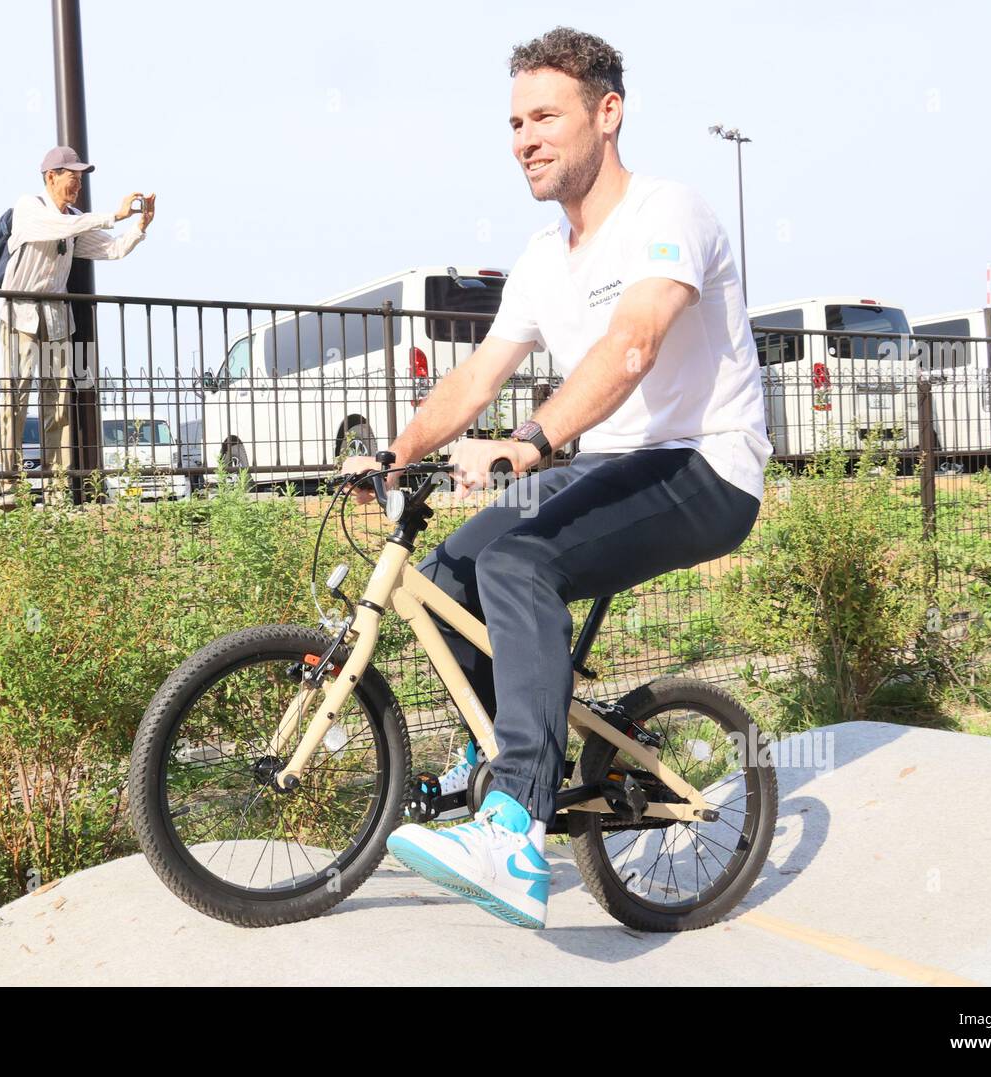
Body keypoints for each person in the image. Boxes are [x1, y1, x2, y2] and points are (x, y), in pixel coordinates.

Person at [342, 26, 773, 929]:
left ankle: (513, 827)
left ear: (608, 114)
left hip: (707, 462)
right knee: (454, 569)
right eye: (513, 123)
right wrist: (396, 452)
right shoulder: (544, 257)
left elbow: (635, 343)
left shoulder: (669, 213)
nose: (525, 139)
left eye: (546, 116)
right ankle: (501, 759)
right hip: (616, 462)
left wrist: (531, 441)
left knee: (520, 564)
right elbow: (473, 377)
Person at [0, 146, 154, 507]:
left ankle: (55, 490)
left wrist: (139, 226)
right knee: (14, 398)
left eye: (81, 179)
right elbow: (59, 225)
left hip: (56, 318)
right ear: (51, 176)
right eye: (73, 177)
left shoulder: (76, 219)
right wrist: (112, 215)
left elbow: (111, 250)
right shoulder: (29, 207)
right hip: (19, 313)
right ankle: (9, 485)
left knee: (58, 405)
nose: (77, 185)